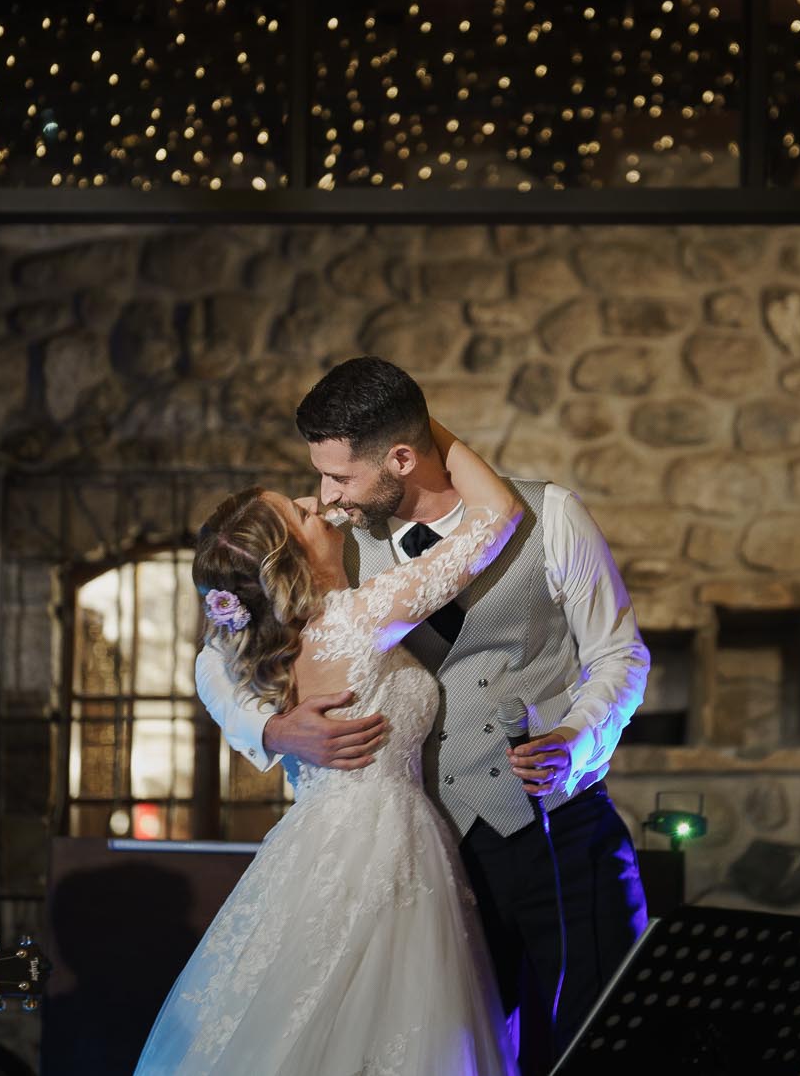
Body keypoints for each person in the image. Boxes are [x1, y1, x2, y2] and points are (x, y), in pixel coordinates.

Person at [195, 356, 651, 1071]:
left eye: (340, 476)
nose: (328, 497)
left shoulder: (551, 514)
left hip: (554, 829)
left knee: (601, 1042)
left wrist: (580, 735)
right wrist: (274, 728)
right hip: (427, 852)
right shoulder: (335, 555)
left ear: (401, 456)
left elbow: (621, 653)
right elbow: (215, 657)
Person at [135, 419, 525, 1075]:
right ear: (292, 550)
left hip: (315, 841)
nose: (317, 500)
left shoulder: (259, 645)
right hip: (382, 837)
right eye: (300, 509)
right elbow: (499, 516)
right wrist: (420, 425)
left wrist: (268, 725)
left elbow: (210, 660)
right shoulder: (360, 616)